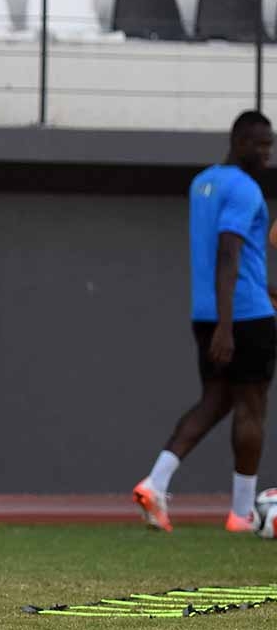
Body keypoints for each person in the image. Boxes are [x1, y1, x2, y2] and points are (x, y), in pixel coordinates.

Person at [133, 110, 276, 534]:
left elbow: (231, 260)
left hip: (207, 311)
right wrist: (229, 326)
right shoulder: (246, 189)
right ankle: (242, 513)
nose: (267, 154)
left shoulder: (202, 183)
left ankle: (155, 482)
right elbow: (229, 255)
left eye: (270, 145)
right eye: (261, 145)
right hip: (242, 316)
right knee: (252, 407)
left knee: (214, 401)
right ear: (238, 141)